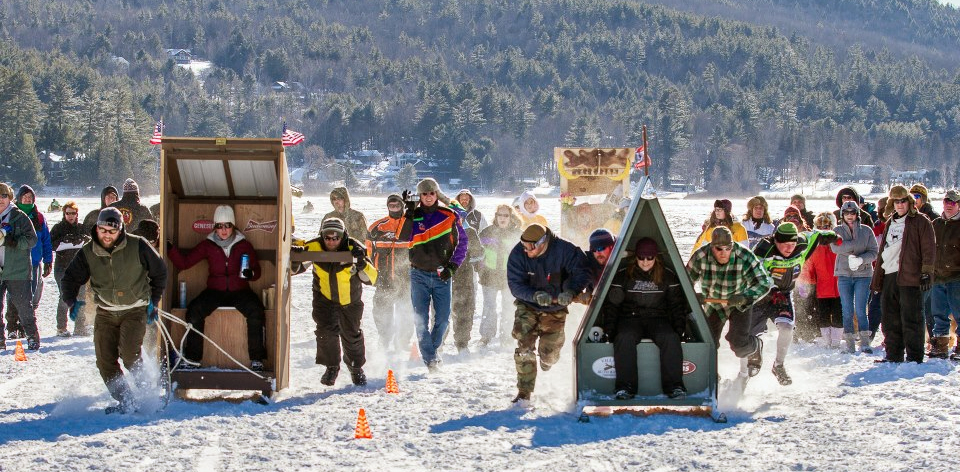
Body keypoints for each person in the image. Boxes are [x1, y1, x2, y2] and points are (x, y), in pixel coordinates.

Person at [60, 208, 167, 414]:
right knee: (105, 361)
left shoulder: (138, 245)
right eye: (103, 230)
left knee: (129, 354)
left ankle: (147, 396)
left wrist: (154, 300)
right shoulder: (88, 251)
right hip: (106, 313)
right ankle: (125, 400)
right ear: (97, 228)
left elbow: (160, 271)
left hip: (134, 310)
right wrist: (71, 301)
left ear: (120, 230)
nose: (107, 235)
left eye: (112, 230)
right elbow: (70, 278)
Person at [167, 205, 267, 371]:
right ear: (215, 227)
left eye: (227, 225)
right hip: (215, 291)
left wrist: (250, 273)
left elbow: (257, 273)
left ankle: (257, 359)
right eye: (219, 226)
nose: (224, 230)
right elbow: (184, 263)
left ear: (233, 226)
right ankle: (193, 359)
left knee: (256, 310)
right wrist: (168, 247)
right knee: (195, 310)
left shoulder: (244, 245)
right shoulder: (208, 244)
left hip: (240, 291)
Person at [507, 223, 590, 402]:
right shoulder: (517, 255)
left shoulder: (566, 251)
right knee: (524, 346)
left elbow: (582, 272)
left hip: (556, 307)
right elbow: (515, 285)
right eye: (523, 245)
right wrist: (534, 295)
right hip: (528, 304)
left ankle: (547, 361)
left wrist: (571, 291)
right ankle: (524, 391)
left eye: (530, 247)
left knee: (549, 353)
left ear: (543, 243)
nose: (526, 250)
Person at [599, 238, 688, 400]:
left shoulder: (667, 276)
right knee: (624, 337)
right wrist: (610, 330)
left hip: (658, 318)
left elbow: (676, 304)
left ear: (656, 258)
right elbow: (612, 305)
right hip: (631, 318)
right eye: (641, 258)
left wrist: (679, 328)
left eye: (649, 258)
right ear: (636, 257)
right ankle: (625, 387)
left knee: (670, 338)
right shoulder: (623, 276)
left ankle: (674, 386)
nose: (645, 262)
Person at [751, 222, 839, 384]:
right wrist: (770, 290)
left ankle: (778, 365)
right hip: (760, 297)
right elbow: (753, 274)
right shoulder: (764, 249)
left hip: (783, 295)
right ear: (776, 241)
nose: (789, 248)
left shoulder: (802, 243)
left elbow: (817, 235)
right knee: (748, 336)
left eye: (792, 244)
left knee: (787, 328)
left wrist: (832, 236)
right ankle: (752, 356)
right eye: (784, 245)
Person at [294, 217, 376, 386]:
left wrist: (362, 263)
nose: (331, 241)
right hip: (324, 298)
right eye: (327, 237)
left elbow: (373, 278)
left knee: (351, 335)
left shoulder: (355, 247)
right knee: (325, 333)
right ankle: (332, 366)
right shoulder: (314, 246)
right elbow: (296, 268)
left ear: (343, 236)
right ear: (321, 236)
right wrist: (295, 256)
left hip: (350, 300)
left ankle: (355, 368)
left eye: (336, 237)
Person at [686, 226, 772, 384]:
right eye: (719, 249)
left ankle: (755, 346)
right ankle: (711, 375)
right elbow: (685, 283)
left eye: (728, 248)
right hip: (713, 305)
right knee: (708, 342)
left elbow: (764, 283)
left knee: (738, 344)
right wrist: (693, 296)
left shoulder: (744, 255)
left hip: (739, 303)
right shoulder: (700, 256)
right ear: (712, 246)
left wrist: (746, 296)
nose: (723, 252)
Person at [398, 178, 467, 372]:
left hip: (442, 275)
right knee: (420, 320)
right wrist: (409, 211)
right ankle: (431, 360)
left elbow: (462, 244)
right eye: (424, 194)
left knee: (443, 320)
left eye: (432, 193)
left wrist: (452, 267)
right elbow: (403, 237)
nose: (428, 197)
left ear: (437, 194)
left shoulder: (449, 215)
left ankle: (432, 351)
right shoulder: (414, 215)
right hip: (417, 274)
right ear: (419, 196)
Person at [870, 185, 936, 364]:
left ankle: (914, 358)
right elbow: (883, 250)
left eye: (903, 201)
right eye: (896, 202)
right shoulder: (891, 222)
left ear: (910, 202)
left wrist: (926, 272)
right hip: (889, 274)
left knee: (912, 318)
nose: (900, 205)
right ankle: (893, 355)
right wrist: (879, 278)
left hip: (911, 276)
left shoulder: (921, 221)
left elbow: (929, 249)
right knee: (890, 319)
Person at [365, 194, 413, 352]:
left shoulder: (410, 225)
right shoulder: (376, 227)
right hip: (384, 278)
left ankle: (403, 341)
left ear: (402, 206)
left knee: (406, 311)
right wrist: (372, 274)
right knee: (381, 310)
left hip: (406, 279)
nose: (394, 208)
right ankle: (384, 339)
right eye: (391, 206)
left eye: (397, 205)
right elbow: (368, 254)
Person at [830, 201, 879, 353]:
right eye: (846, 213)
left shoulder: (866, 231)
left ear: (857, 214)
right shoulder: (836, 230)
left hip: (863, 274)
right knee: (847, 309)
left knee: (860, 308)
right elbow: (835, 247)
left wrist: (861, 259)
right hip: (844, 274)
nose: (849, 216)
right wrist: (855, 245)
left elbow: (874, 252)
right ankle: (849, 342)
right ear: (842, 215)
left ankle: (865, 341)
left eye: (852, 213)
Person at [5, 185, 52, 338]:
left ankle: (25, 325)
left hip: (34, 260)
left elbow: (45, 239)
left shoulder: (38, 217)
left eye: (30, 197)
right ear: (18, 198)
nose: (27, 199)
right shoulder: (11, 215)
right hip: (15, 262)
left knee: (32, 296)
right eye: (24, 197)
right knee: (14, 295)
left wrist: (48, 260)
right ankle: (12, 325)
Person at [0, 182, 40, 351]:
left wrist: (14, 242)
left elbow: (32, 239)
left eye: (4, 196)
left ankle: (32, 337)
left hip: (18, 270)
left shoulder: (19, 216)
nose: (0, 200)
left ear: (10, 198)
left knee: (24, 306)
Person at [477, 205, 522, 348]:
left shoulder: (518, 234)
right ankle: (486, 336)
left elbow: (524, 257)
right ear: (496, 216)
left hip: (509, 277)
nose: (503, 218)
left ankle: (507, 336)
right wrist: (479, 268)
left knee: (508, 307)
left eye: (506, 215)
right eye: (500, 215)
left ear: (511, 217)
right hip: (489, 276)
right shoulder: (487, 232)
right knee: (489, 306)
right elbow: (477, 252)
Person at [801, 212, 843, 348]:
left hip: (839, 288)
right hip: (821, 289)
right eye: (820, 226)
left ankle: (836, 341)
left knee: (838, 315)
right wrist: (805, 283)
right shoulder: (814, 248)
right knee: (823, 316)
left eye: (826, 226)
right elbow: (809, 268)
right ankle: (826, 340)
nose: (824, 229)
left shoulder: (838, 244)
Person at [50, 201, 91, 336]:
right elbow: (51, 245)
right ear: (64, 214)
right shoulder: (58, 228)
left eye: (73, 213)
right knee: (64, 296)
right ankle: (61, 327)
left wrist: (83, 240)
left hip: (79, 268)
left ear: (77, 214)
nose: (71, 216)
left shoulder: (82, 227)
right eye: (68, 213)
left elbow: (91, 243)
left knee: (80, 296)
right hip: (62, 267)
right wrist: (65, 241)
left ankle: (80, 327)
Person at [928, 189, 960, 359]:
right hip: (938, 276)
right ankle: (940, 346)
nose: (949, 205)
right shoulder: (935, 224)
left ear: (959, 205)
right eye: (947, 201)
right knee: (938, 313)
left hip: (956, 276)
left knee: (959, 313)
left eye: (953, 202)